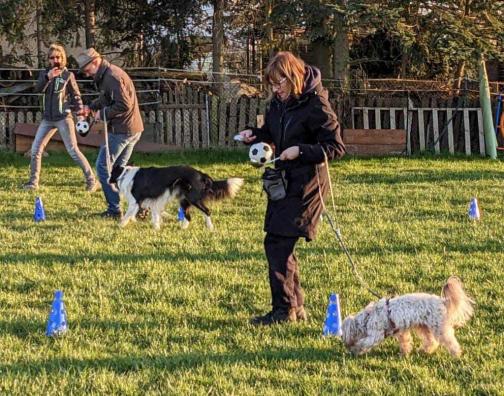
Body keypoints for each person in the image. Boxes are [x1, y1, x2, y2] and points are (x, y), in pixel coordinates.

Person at [239, 51, 345, 325]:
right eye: (272, 84)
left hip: (308, 185)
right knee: (278, 244)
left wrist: (300, 151)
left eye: (280, 83)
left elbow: (335, 147)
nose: (276, 89)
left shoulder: (316, 104)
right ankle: (294, 307)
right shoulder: (278, 104)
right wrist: (255, 135)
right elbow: (275, 135)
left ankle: (284, 311)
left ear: (294, 77)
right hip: (283, 182)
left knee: (278, 244)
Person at [76, 48, 144, 218]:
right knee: (120, 171)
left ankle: (114, 210)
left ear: (95, 62)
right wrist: (91, 108)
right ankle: (139, 206)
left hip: (122, 131)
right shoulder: (107, 75)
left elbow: (123, 105)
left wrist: (102, 114)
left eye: (86, 69)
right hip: (131, 128)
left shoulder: (112, 77)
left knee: (103, 167)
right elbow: (107, 99)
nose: (86, 74)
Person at [23, 44, 98, 192]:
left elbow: (76, 96)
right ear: (49, 60)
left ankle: (92, 180)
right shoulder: (45, 73)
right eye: (52, 58)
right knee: (35, 149)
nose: (55, 60)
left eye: (58, 57)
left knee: (73, 150)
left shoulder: (67, 75)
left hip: (64, 118)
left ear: (62, 58)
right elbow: (37, 89)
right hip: (47, 119)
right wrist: (47, 77)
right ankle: (33, 183)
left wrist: (80, 115)